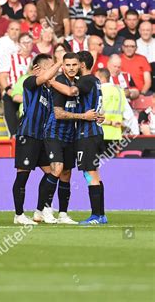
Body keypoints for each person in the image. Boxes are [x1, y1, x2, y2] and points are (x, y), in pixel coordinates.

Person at [37, 52, 94, 224]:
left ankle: (62, 213)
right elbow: (59, 113)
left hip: (70, 136)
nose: (71, 68)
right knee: (57, 168)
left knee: (66, 174)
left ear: (79, 66)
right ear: (63, 66)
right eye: (67, 65)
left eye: (74, 65)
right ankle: (46, 209)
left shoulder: (75, 84)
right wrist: (84, 117)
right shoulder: (60, 82)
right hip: (54, 133)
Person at [12, 54, 64, 225]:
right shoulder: (30, 82)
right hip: (27, 135)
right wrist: (61, 61)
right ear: (39, 69)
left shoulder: (48, 91)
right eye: (49, 66)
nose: (53, 70)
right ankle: (19, 214)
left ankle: (40, 210)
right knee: (22, 176)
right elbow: (46, 76)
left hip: (41, 138)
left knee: (51, 172)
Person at [74, 51, 107, 225]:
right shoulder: (95, 80)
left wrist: (51, 81)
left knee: (90, 173)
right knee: (95, 173)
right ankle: (101, 214)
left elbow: (72, 91)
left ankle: (96, 215)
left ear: (82, 64)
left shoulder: (85, 81)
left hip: (87, 132)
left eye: (75, 63)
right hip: (96, 131)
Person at [0, 33, 34, 136]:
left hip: (29, 93)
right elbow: (2, 76)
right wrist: (9, 90)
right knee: (9, 104)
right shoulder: (10, 57)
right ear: (18, 44)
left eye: (29, 42)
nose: (26, 45)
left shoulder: (35, 58)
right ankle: (13, 135)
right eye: (24, 42)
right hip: (12, 91)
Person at [96, 67, 125, 152]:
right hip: (116, 133)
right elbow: (126, 111)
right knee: (113, 164)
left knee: (99, 163)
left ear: (102, 78)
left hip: (101, 131)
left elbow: (97, 114)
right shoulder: (119, 90)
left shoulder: (99, 91)